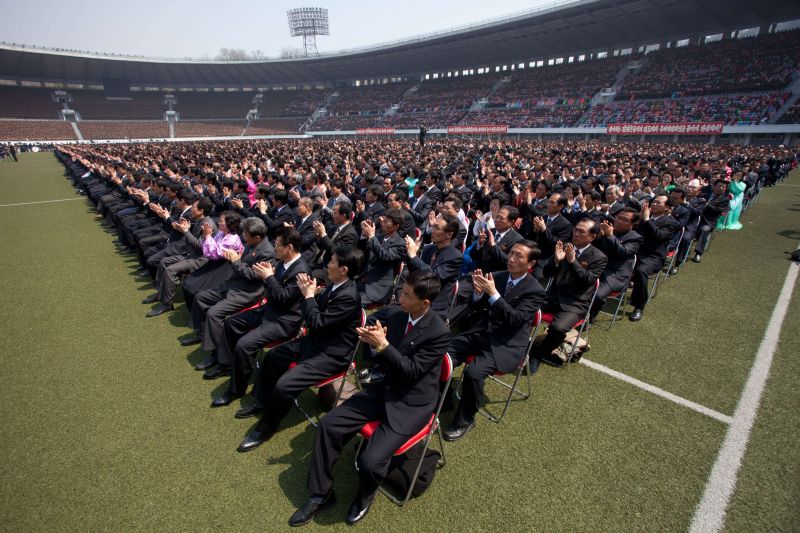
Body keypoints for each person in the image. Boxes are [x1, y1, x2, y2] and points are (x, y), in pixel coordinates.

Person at [289, 270, 450, 527]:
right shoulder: (398, 313)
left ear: (425, 303)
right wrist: (372, 339)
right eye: (402, 290)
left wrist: (383, 345)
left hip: (410, 402)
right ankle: (321, 494)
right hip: (383, 389)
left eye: (407, 294)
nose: (400, 296)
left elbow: (411, 372)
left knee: (370, 461)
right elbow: (375, 332)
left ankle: (364, 497)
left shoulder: (439, 332)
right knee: (329, 425)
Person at [235, 247, 365, 451]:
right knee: (273, 357)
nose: (327, 265)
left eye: (331, 262)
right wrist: (311, 295)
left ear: (344, 269)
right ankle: (262, 401)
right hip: (316, 342)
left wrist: (308, 296)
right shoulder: (336, 285)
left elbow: (317, 322)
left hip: (331, 354)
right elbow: (316, 319)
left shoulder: (349, 295)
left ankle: (264, 429)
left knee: (285, 385)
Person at [443, 240, 546, 441]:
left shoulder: (535, 290)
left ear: (530, 264)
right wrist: (477, 293)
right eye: (511, 253)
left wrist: (493, 294)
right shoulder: (498, 276)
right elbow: (475, 306)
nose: (512, 259)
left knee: (473, 373)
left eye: (519, 256)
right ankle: (443, 399)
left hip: (506, 343)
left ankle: (465, 419)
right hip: (482, 332)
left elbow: (515, 320)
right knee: (442, 354)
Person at [209, 227, 311, 401]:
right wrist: (266, 275)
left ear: (290, 247)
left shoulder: (301, 270)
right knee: (231, 323)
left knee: (244, 344)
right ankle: (226, 363)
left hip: (283, 321)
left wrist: (268, 277)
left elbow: (284, 297)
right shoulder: (283, 262)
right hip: (268, 311)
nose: (275, 248)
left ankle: (236, 390)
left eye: (278, 245)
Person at [190, 218, 275, 370]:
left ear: (257, 237)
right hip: (234, 285)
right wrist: (235, 259)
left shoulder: (267, 251)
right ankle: (204, 336)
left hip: (247, 292)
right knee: (200, 298)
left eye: (246, 234)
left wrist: (236, 261)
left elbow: (254, 276)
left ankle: (222, 359)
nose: (243, 236)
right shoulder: (252, 243)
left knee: (214, 314)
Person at [531, 219, 608, 366]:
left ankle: (539, 355)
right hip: (553, 296)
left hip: (575, 302)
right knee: (525, 309)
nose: (576, 234)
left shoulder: (599, 257)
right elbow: (547, 273)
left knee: (558, 328)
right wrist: (556, 261)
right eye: (576, 229)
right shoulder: (565, 246)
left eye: (581, 232)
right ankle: (517, 343)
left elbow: (588, 280)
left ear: (592, 237)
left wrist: (573, 262)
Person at [629, 195, 681, 321]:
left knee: (641, 271)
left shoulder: (671, 223)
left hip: (653, 256)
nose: (654, 204)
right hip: (636, 251)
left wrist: (647, 220)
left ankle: (639, 306)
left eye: (659, 203)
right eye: (654, 202)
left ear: (667, 207)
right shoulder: (643, 217)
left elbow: (658, 236)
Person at [589, 208, 642, 323]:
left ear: (632, 224)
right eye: (618, 217)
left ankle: (589, 318)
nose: (619, 221)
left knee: (597, 295)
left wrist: (610, 236)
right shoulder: (608, 229)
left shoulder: (635, 238)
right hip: (596, 267)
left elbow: (624, 253)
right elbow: (593, 249)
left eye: (625, 220)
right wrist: (599, 237)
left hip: (614, 274)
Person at [404, 214, 463, 316]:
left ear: (449, 234)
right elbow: (415, 273)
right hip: (416, 296)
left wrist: (414, 257)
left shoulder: (455, 257)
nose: (432, 230)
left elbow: (433, 277)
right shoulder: (429, 249)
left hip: (434, 305)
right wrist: (412, 254)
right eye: (433, 226)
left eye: (437, 228)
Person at [358, 209, 407, 307]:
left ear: (396, 226)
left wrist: (371, 236)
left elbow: (384, 255)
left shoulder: (401, 244)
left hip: (378, 288)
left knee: (350, 302)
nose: (383, 224)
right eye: (383, 221)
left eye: (386, 222)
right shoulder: (379, 237)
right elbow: (362, 252)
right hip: (363, 280)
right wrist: (364, 236)